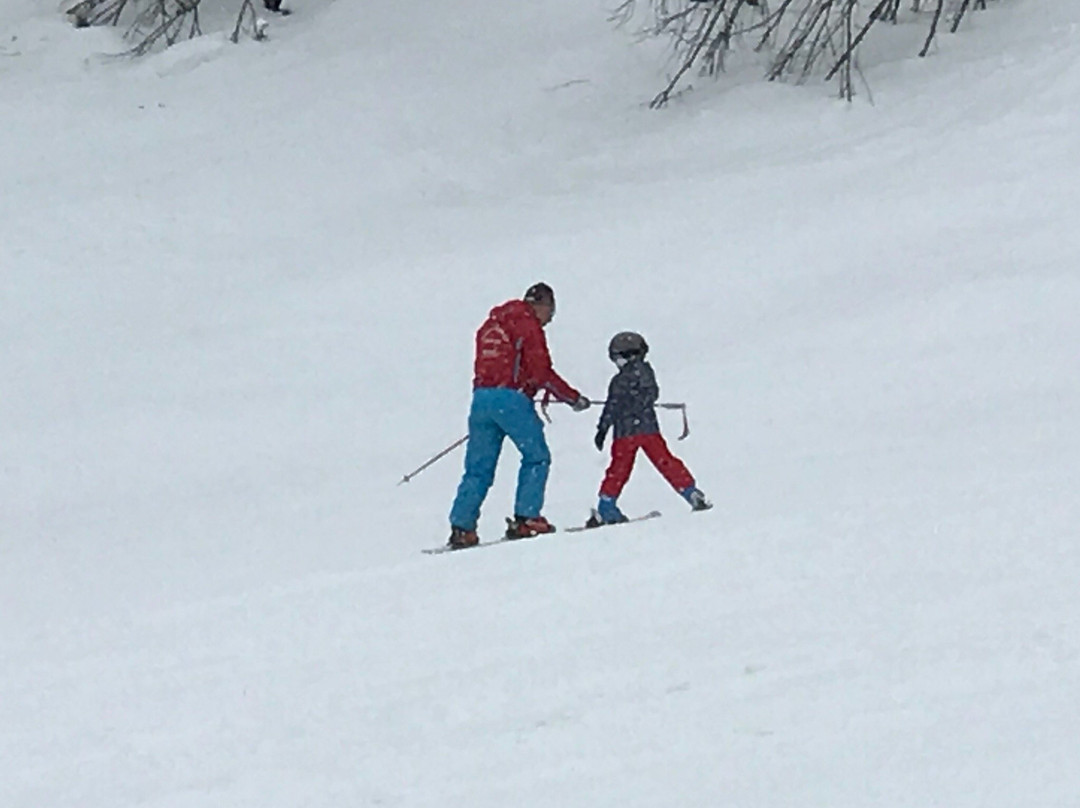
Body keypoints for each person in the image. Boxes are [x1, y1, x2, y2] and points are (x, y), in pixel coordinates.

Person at [447, 283, 590, 549]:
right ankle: (527, 517)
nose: (550, 319)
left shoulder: (491, 325)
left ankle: (462, 527)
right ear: (541, 305)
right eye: (551, 311)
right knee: (537, 457)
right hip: (511, 400)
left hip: (481, 400)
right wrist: (572, 398)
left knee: (478, 469)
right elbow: (541, 372)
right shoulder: (528, 325)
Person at [591, 331, 711, 525]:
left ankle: (607, 505)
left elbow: (613, 406)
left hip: (626, 433)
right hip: (647, 428)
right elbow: (650, 394)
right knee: (664, 461)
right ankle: (690, 492)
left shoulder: (621, 380)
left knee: (619, 469)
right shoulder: (644, 372)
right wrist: (607, 425)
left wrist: (603, 427)